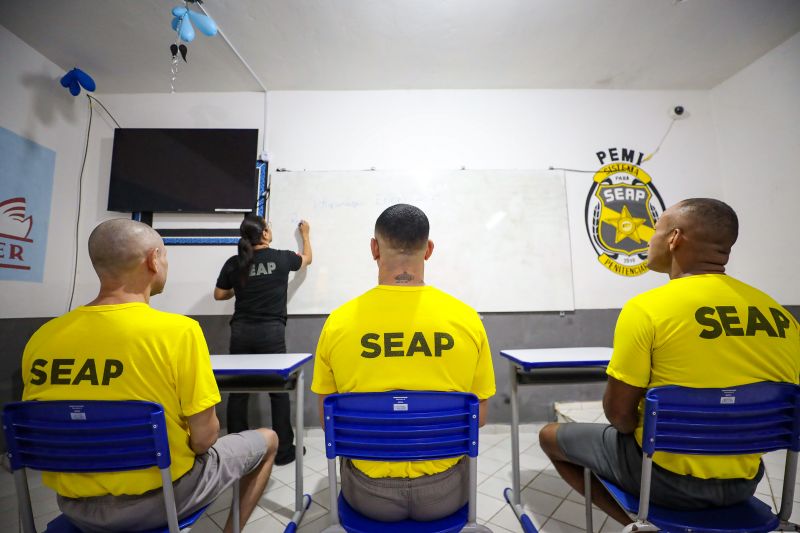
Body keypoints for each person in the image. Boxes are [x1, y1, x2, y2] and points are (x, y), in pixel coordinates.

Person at [539, 198, 800, 524]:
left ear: (674, 238)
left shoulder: (646, 309)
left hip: (663, 480)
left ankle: (639, 526)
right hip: (744, 482)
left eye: (654, 231)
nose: (649, 240)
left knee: (549, 436)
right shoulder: (782, 317)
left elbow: (619, 416)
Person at [21, 219, 278, 533]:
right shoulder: (179, 332)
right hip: (160, 501)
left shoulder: (42, 338)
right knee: (268, 439)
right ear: (153, 260)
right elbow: (204, 440)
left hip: (76, 507)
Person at [311, 203, 496, 522]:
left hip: (368, 496)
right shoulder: (467, 320)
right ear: (429, 250)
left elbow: (329, 421)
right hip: (446, 493)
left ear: (374, 248)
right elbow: (478, 418)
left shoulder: (337, 324)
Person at [214, 214, 312, 465]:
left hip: (241, 332)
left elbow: (219, 294)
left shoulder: (235, 263)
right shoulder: (281, 258)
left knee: (239, 392)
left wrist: (243, 286)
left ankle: (237, 453)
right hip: (271, 332)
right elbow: (307, 259)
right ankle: (283, 451)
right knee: (278, 392)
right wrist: (305, 235)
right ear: (265, 234)